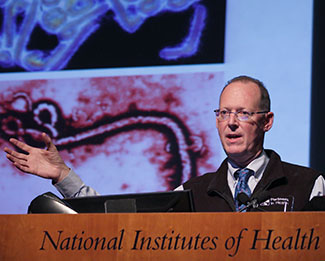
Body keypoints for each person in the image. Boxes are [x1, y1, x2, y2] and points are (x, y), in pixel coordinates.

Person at [4, 75, 325, 212]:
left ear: (267, 121)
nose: (230, 122)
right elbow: (121, 224)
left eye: (243, 113)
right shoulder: (192, 194)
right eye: (224, 112)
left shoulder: (307, 185)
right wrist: (63, 176)